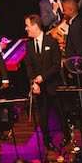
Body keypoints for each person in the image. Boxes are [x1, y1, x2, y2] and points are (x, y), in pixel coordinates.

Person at [22, 14, 62, 152]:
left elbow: (57, 65)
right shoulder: (29, 45)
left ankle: (67, 135)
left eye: (27, 25)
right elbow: (29, 67)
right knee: (43, 118)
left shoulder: (51, 42)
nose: (26, 28)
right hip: (39, 89)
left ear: (35, 26)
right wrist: (33, 82)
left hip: (52, 86)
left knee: (60, 113)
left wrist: (42, 77)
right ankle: (47, 141)